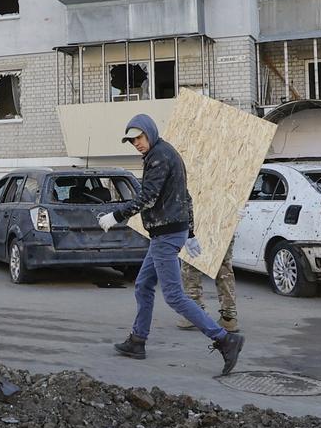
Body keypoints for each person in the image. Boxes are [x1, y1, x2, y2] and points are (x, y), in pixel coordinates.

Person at [98, 114, 244, 376]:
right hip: (167, 233)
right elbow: (184, 196)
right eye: (132, 141)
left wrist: (116, 216)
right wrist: (189, 232)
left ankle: (225, 339)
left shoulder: (158, 157)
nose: (136, 144)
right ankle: (137, 340)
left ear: (150, 133)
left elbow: (148, 198)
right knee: (143, 285)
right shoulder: (166, 153)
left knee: (175, 296)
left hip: (165, 236)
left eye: (139, 138)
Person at [177, 237, 238, 333]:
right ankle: (229, 316)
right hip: (225, 226)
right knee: (224, 267)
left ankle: (194, 313)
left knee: (190, 265)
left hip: (200, 227)